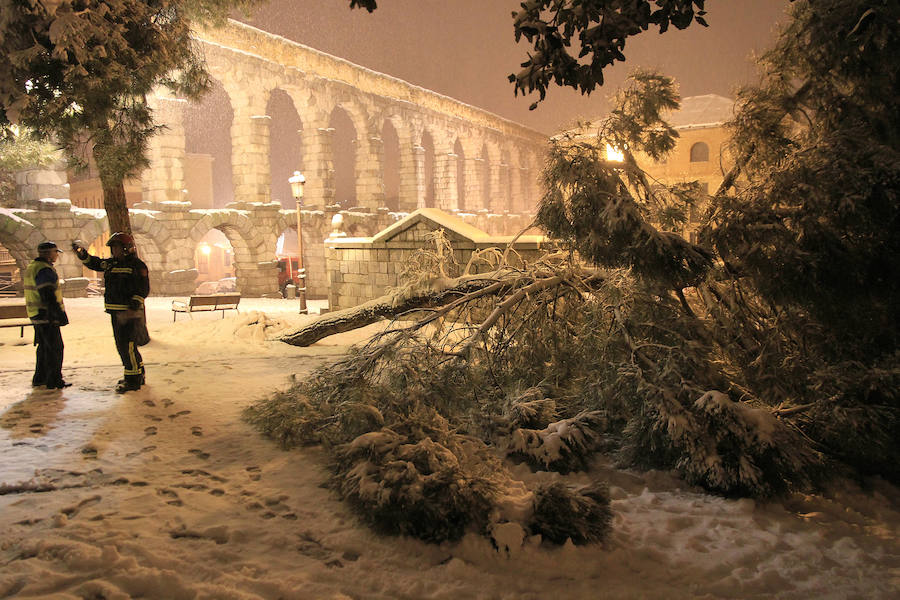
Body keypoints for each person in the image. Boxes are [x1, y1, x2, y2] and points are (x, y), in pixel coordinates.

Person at [72, 233, 150, 394]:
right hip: (116, 312)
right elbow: (96, 263)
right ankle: (137, 372)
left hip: (128, 313)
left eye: (117, 247)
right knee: (124, 346)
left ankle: (133, 380)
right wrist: (83, 254)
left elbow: (142, 288)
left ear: (127, 248)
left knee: (126, 346)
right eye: (113, 248)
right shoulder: (111, 264)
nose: (114, 251)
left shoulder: (136, 265)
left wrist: (134, 305)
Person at [24, 241, 71, 389]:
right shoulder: (45, 270)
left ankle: (40, 378)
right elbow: (47, 292)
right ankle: (54, 380)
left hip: (36, 314)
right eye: (55, 252)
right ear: (49, 254)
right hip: (46, 315)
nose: (57, 255)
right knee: (55, 348)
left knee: (44, 347)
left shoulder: (32, 267)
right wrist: (56, 312)